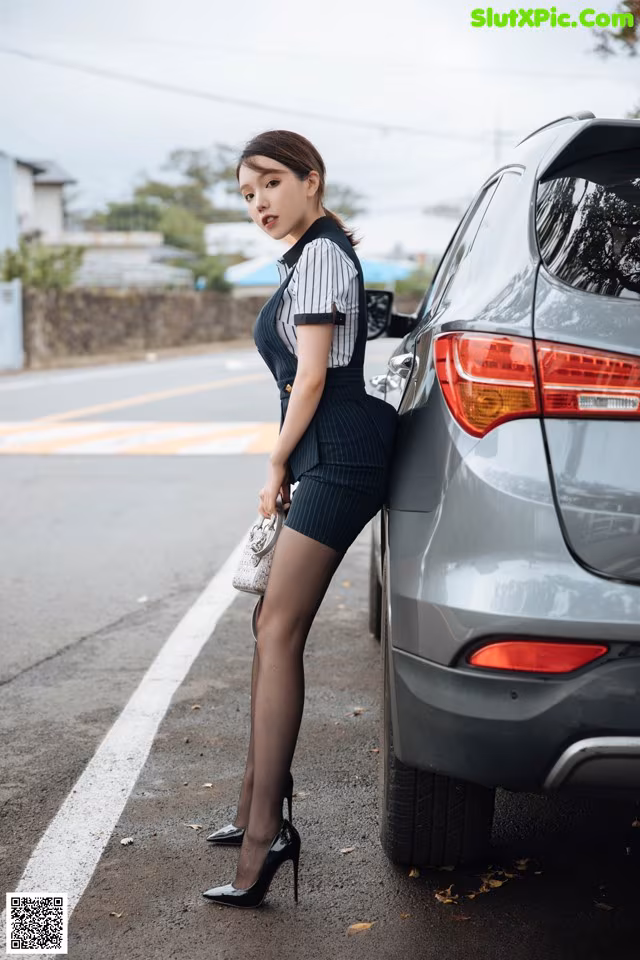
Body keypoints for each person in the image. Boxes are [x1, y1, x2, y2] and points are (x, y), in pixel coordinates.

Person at [202, 129, 398, 909]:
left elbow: (314, 377)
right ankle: (257, 807)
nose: (259, 203)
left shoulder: (320, 255)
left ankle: (265, 838)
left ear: (312, 180)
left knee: (278, 629)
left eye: (272, 183)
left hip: (340, 452)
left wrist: (277, 463)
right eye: (248, 194)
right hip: (324, 450)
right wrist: (289, 459)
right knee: (267, 627)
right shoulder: (310, 257)